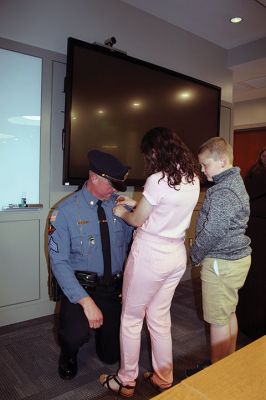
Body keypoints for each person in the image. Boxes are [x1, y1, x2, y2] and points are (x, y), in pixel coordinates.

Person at [99, 127, 200, 397]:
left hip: (151, 255)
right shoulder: (192, 177)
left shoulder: (157, 179)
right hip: (176, 254)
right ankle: (163, 378)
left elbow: (138, 220)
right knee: (159, 317)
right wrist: (136, 202)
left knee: (131, 318)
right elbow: (165, 209)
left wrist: (122, 211)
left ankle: (126, 380)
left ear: (155, 151)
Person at [48, 150, 133, 380]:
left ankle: (101, 332)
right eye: (111, 184)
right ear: (94, 177)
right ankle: (68, 352)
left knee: (110, 357)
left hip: (111, 289)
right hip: (81, 288)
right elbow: (59, 263)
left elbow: (133, 245)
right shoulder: (64, 212)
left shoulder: (122, 206)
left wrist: (138, 212)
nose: (115, 190)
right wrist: (86, 302)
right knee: (74, 334)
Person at [186, 137, 251, 377]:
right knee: (228, 313)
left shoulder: (224, 191)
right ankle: (228, 363)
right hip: (234, 259)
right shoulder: (234, 182)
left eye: (206, 165)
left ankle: (217, 374)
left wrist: (195, 253)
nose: (203, 171)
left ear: (222, 161)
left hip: (222, 263)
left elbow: (212, 232)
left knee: (217, 320)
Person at [237, 146, 266, 339]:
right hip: (253, 230)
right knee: (253, 277)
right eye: (264, 154)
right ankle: (249, 323)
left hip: (258, 229)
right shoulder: (252, 174)